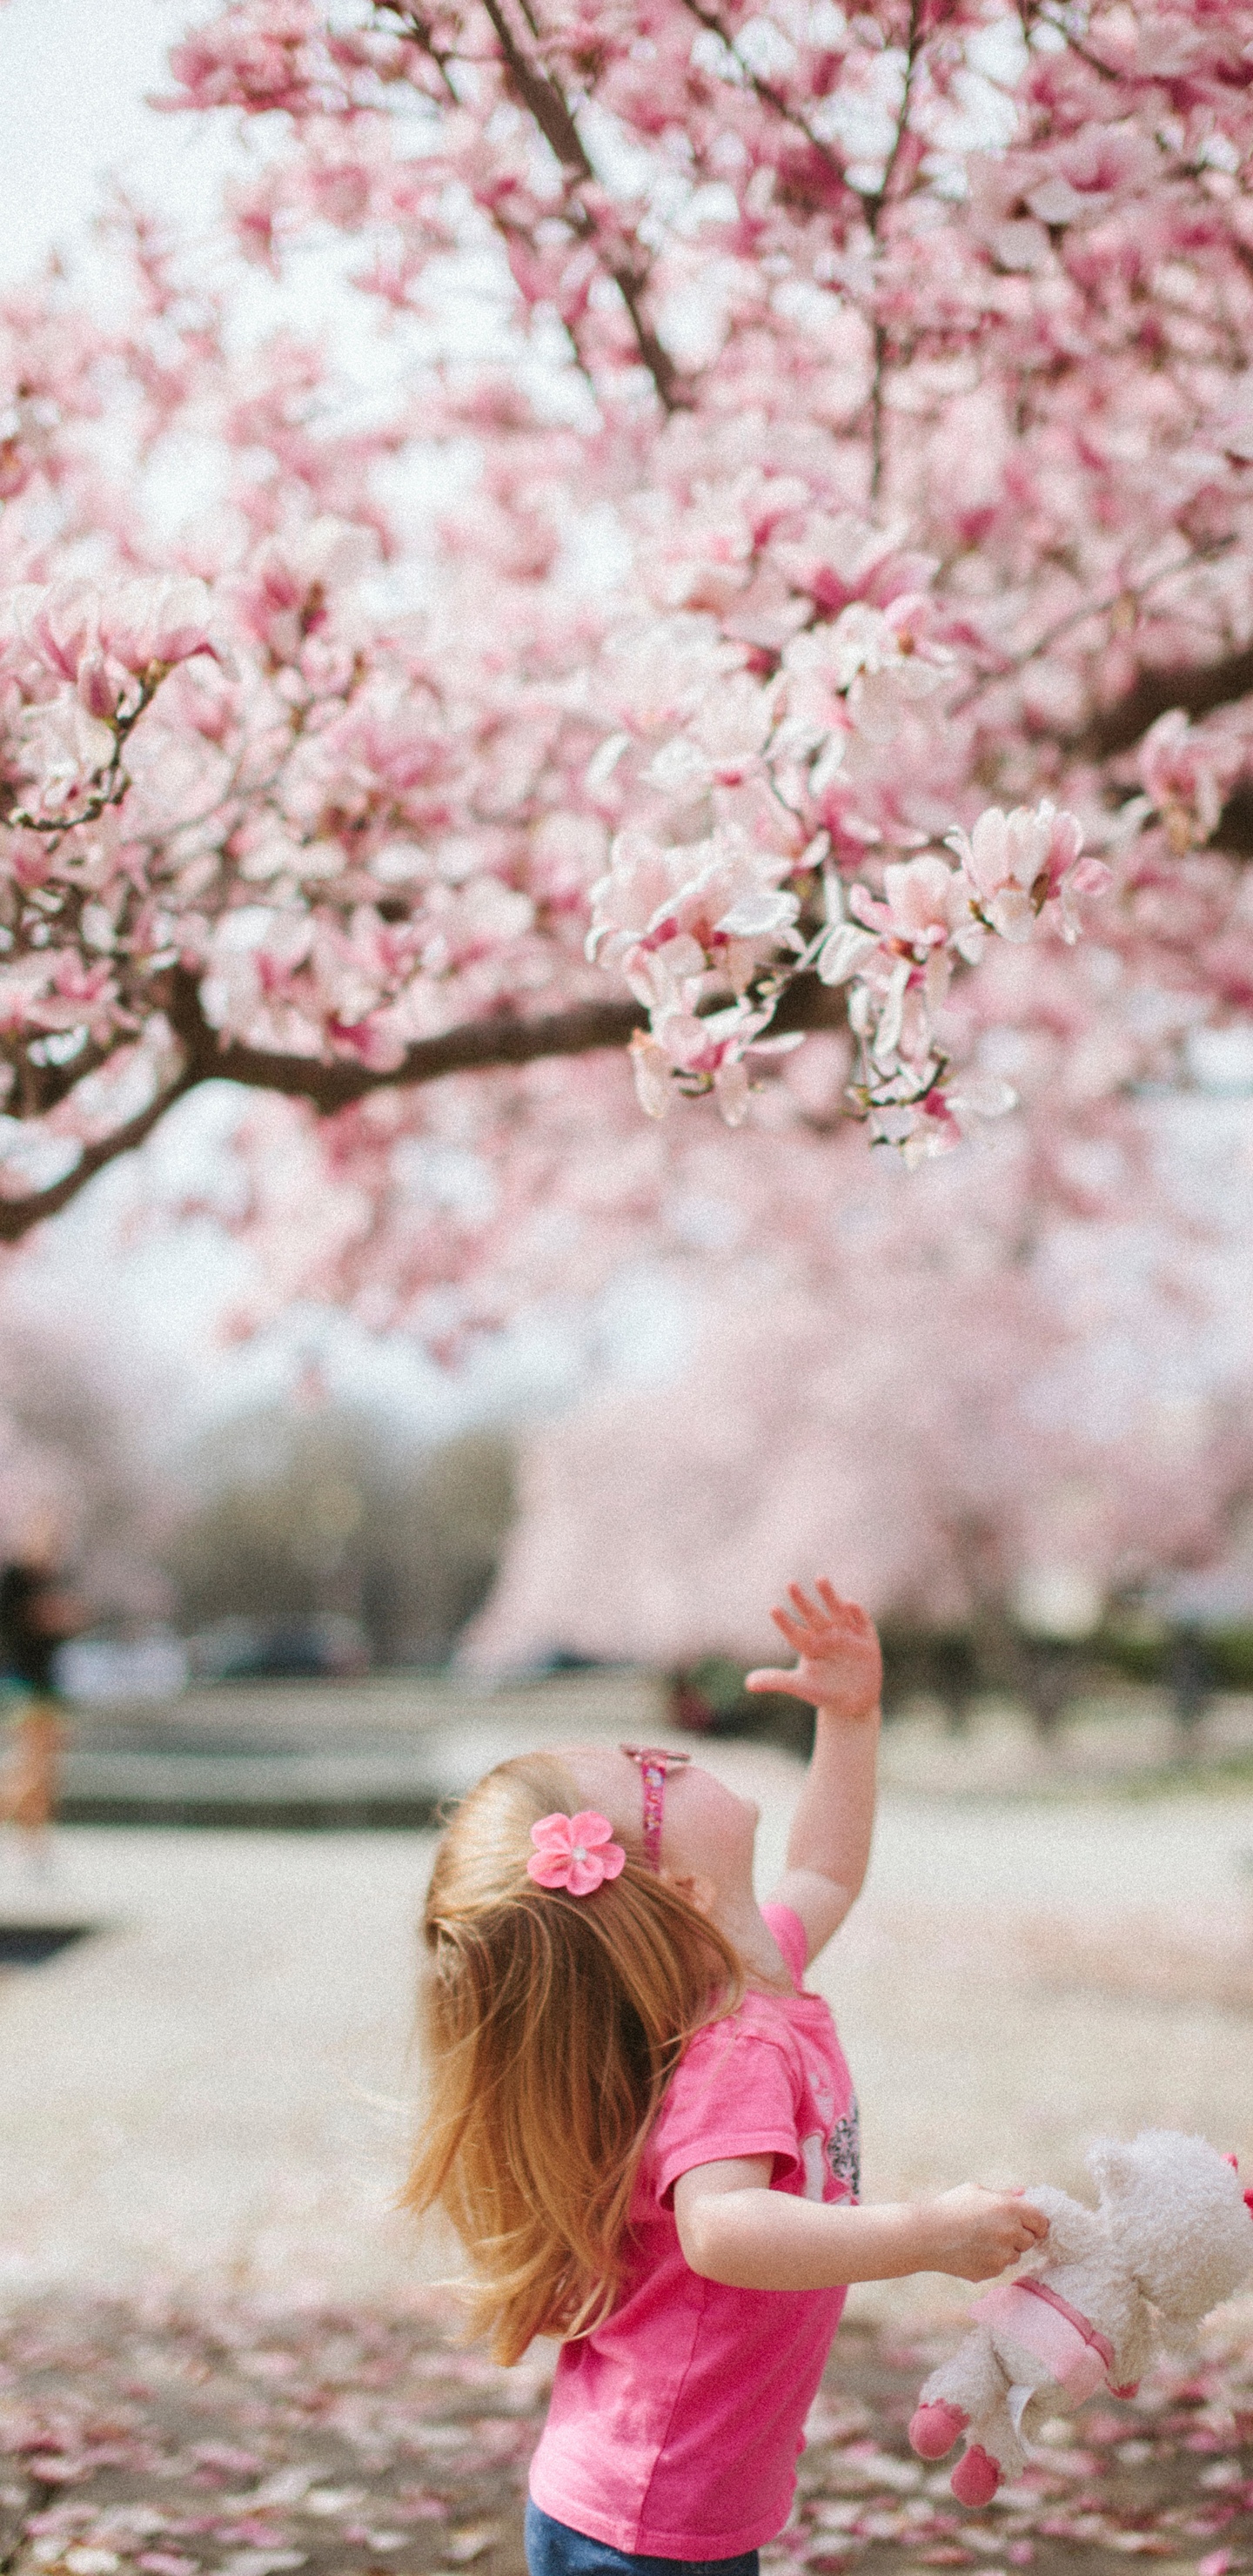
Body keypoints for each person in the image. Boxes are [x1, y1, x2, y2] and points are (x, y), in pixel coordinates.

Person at [405, 1578, 1049, 2576]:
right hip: (650, 2519)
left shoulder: (758, 1971)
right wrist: (928, 2234)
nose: (670, 1748)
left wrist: (849, 1717)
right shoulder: (731, 2045)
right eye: (651, 1769)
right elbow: (723, 2226)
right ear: (683, 1889)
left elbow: (828, 1868)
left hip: (655, 2496)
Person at [0, 1514, 84, 1852]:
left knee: (46, 1767)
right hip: (21, 1680)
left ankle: (35, 1839)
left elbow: (61, 1630)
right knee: (32, 1765)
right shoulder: (15, 1580)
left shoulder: (56, 1580)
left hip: (50, 1683)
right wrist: (41, 1618)